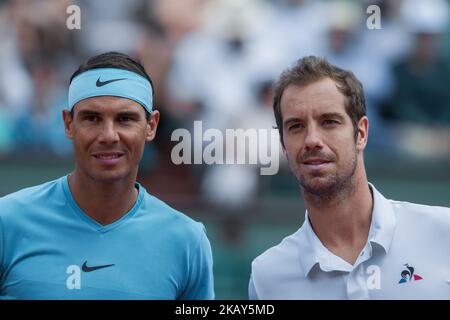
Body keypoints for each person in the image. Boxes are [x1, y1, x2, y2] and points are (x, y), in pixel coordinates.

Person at [0, 52, 214, 300]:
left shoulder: (187, 241)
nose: (109, 135)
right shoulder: (7, 221)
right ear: (68, 124)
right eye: (92, 118)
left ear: (151, 126)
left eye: (125, 119)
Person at [248, 56, 450, 299]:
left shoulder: (444, 233)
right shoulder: (267, 277)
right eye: (296, 126)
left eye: (329, 122)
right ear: (283, 144)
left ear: (361, 133)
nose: (312, 139)